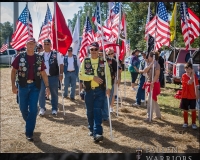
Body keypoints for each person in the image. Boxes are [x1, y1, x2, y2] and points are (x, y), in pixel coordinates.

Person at [11, 37, 50, 141]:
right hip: (22, 86)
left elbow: (43, 73)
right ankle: (30, 122)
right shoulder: (20, 56)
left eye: (32, 44)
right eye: (29, 44)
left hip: (35, 87)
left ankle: (29, 132)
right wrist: (13, 86)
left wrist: (47, 87)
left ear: (35, 45)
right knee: (23, 108)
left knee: (33, 109)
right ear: (26, 44)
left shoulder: (38, 58)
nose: (31, 46)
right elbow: (13, 71)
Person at [79, 42, 112, 142]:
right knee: (90, 111)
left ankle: (97, 132)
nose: (93, 51)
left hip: (100, 91)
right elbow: (80, 75)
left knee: (98, 110)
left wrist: (109, 88)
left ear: (98, 50)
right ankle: (91, 128)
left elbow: (108, 76)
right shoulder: (85, 61)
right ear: (89, 50)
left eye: (95, 49)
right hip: (88, 91)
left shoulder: (103, 62)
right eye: (91, 49)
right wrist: (92, 78)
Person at [38, 38, 64, 116]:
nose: (46, 45)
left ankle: (54, 109)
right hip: (42, 77)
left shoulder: (56, 54)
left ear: (50, 45)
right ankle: (42, 108)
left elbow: (61, 64)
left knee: (54, 93)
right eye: (44, 44)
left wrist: (61, 74)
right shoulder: (40, 55)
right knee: (41, 92)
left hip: (53, 76)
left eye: (47, 44)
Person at [143, 51, 161, 121]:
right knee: (153, 100)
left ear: (152, 57)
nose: (148, 57)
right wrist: (150, 65)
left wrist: (152, 83)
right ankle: (158, 115)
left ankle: (149, 116)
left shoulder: (157, 64)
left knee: (150, 100)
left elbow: (157, 75)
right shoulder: (149, 63)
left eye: (149, 56)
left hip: (154, 83)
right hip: (149, 82)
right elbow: (145, 71)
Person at [180, 62, 199, 129]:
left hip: (192, 95)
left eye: (189, 69)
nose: (188, 71)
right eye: (187, 69)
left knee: (193, 109)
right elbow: (189, 83)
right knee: (185, 110)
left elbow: (196, 86)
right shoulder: (184, 76)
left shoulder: (195, 77)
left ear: (192, 69)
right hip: (185, 95)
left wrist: (197, 94)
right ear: (185, 69)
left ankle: (193, 123)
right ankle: (185, 122)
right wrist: (192, 77)